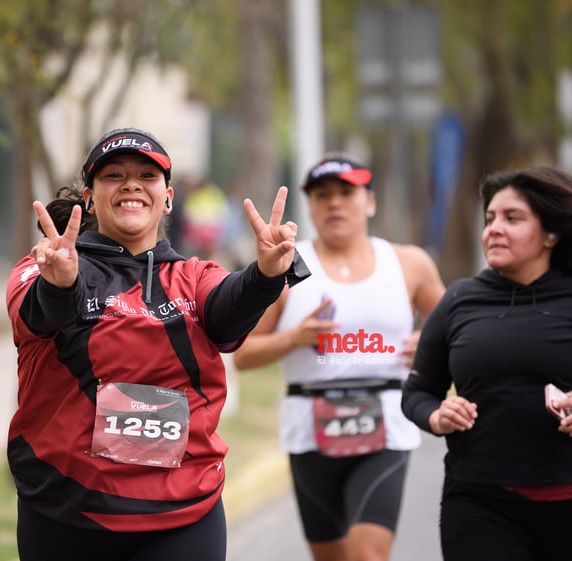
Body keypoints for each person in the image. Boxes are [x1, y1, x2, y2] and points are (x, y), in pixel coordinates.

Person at [4, 127, 312, 561]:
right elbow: (38, 314)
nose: (131, 183)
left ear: (168, 197)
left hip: (183, 515)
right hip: (66, 515)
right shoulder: (46, 266)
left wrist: (263, 275)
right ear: (89, 196)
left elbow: (226, 316)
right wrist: (60, 285)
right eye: (114, 175)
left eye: (147, 175)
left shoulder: (195, 275)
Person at [233, 154, 446, 561]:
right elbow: (242, 354)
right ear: (310, 206)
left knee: (368, 555)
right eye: (322, 195)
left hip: (384, 422)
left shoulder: (407, 263)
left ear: (370, 201)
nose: (334, 204)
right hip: (311, 429)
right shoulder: (288, 268)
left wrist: (433, 346)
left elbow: (461, 332)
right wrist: (295, 338)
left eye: (346, 193)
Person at [400, 166, 572, 561]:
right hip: (482, 502)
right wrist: (437, 416)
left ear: (551, 233)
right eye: (490, 218)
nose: (494, 228)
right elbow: (418, 393)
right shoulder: (460, 300)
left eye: (512, 219)